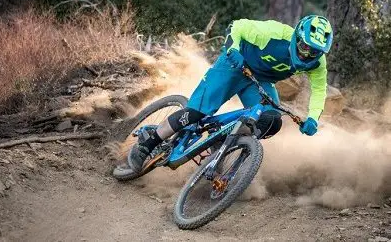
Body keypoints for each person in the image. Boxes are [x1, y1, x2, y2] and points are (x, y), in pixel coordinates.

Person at [127, 15, 334, 172]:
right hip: (235, 64)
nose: (307, 53)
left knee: (271, 121)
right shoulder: (275, 34)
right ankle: (148, 143)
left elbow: (319, 90)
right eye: (305, 46)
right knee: (198, 112)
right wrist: (233, 48)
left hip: (260, 81)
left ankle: (221, 141)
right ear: (297, 36)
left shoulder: (317, 64)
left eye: (314, 51)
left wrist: (313, 119)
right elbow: (238, 26)